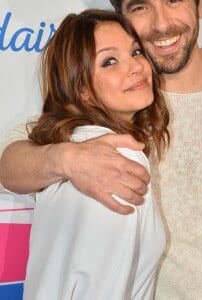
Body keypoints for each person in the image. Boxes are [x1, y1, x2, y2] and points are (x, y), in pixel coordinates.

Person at [0, 0, 202, 299]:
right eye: (141, 6)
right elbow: (7, 164)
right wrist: (63, 158)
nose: (161, 23)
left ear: (199, 6)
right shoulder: (115, 103)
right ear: (123, 18)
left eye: (173, 0)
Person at [20, 8, 169, 300]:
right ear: (83, 90)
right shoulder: (115, 157)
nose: (136, 67)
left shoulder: (67, 145)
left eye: (136, 52)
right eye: (110, 61)